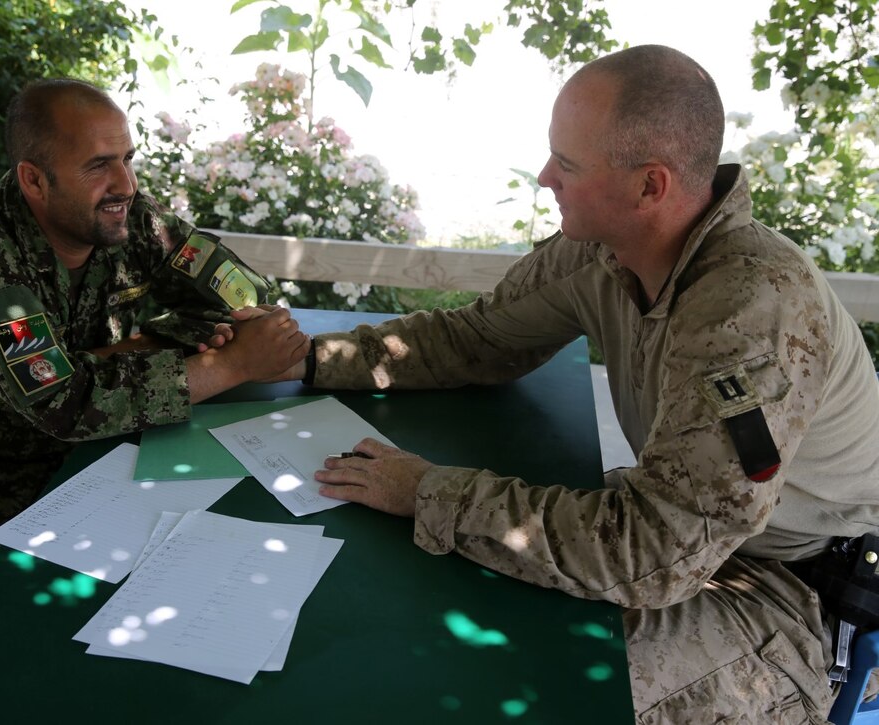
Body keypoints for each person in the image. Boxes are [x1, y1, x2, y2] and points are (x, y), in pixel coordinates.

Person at [283, 45, 879, 722]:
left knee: (547, 676)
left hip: (792, 592)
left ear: (649, 186)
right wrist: (301, 357)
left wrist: (427, 491)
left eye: (566, 165)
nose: (544, 177)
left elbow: (653, 551)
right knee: (484, 605)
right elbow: (476, 340)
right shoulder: (603, 248)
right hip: (698, 543)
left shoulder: (751, 313)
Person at [0, 78, 309, 589]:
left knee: (201, 555)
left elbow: (243, 294)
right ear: (34, 181)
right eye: (98, 165)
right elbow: (65, 402)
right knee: (57, 598)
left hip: (80, 444)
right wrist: (231, 365)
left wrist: (139, 349)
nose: (125, 183)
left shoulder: (123, 215)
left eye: (127, 157)